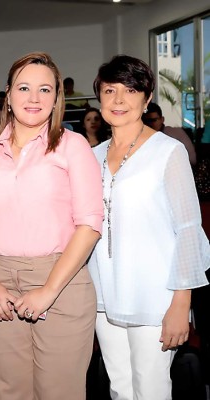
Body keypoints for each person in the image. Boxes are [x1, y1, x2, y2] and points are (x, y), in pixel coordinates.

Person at [0, 52, 103, 400]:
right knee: (11, 391)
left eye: (45, 89)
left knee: (60, 392)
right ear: (7, 95)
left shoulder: (73, 146)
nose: (34, 98)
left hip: (61, 279)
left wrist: (48, 290)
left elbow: (90, 224)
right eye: (24, 88)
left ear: (57, 97)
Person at [87, 54, 210, 400]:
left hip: (155, 295)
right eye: (110, 91)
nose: (119, 100)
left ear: (147, 96)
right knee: (120, 387)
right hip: (103, 296)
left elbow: (188, 228)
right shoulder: (91, 157)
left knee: (152, 389)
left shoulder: (167, 152)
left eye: (130, 90)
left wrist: (180, 304)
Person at [143, 101, 197, 166]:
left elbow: (192, 159)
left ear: (162, 119)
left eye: (153, 120)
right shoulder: (142, 136)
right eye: (146, 121)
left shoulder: (173, 134)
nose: (149, 124)